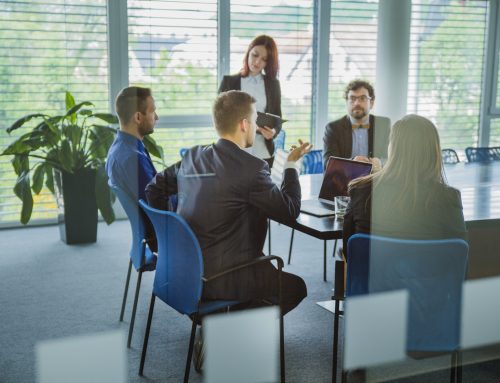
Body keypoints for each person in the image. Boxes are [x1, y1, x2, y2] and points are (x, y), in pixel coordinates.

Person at [146, 90, 310, 315]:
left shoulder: (192, 157)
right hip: (227, 277)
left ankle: (216, 322)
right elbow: (289, 210)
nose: (255, 127)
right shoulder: (252, 169)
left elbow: (153, 189)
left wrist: (169, 239)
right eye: (254, 121)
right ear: (244, 124)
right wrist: (291, 166)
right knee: (296, 288)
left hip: (184, 271)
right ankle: (227, 327)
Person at [342, 114, 467, 254]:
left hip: (375, 275)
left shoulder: (360, 190)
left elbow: (349, 252)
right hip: (426, 275)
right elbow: (459, 260)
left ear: (393, 148)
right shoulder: (449, 197)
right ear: (434, 151)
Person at [218, 35, 282, 167]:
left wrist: (273, 132)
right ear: (248, 52)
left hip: (263, 153)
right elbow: (219, 117)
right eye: (255, 55)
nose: (257, 62)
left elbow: (277, 119)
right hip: (234, 152)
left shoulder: (273, 85)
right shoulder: (229, 82)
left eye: (264, 59)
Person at [323, 79, 390, 169]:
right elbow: (328, 164)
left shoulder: (383, 125)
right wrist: (352, 162)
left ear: (372, 103)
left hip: (376, 179)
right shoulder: (333, 128)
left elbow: (392, 158)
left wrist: (380, 163)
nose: (357, 103)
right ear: (347, 102)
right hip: (345, 180)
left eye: (362, 98)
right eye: (352, 98)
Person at [106, 86, 158, 202]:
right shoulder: (134, 159)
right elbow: (159, 204)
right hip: (167, 218)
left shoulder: (116, 150)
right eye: (152, 111)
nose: (157, 117)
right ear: (138, 117)